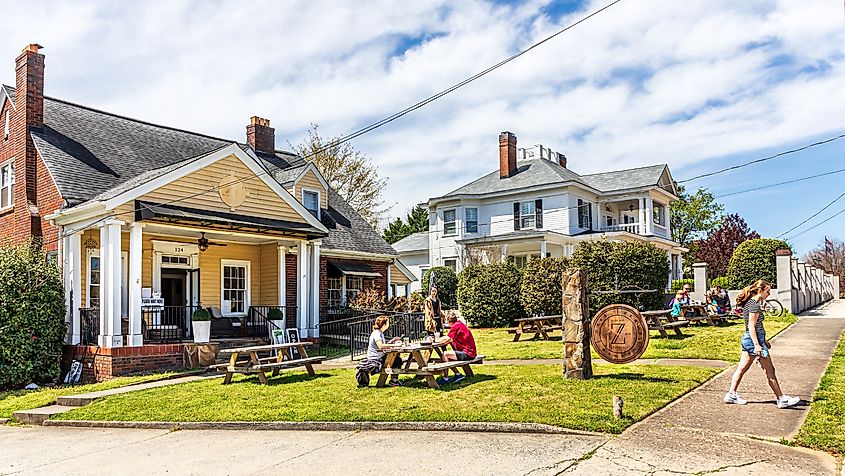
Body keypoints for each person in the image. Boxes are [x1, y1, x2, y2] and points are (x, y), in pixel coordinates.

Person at [724, 279, 800, 408]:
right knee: (770, 370)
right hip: (754, 341)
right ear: (760, 290)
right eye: (767, 291)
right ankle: (781, 399)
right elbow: (752, 326)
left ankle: (731, 394)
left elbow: (756, 326)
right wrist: (758, 345)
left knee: (742, 368)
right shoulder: (754, 305)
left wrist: (764, 340)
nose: (769, 294)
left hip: (750, 340)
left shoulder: (751, 304)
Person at [435, 314, 477, 385]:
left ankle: (445, 378)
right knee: (447, 357)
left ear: (449, 322)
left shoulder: (455, 326)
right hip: (470, 352)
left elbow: (447, 338)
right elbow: (450, 339)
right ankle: (458, 375)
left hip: (467, 353)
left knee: (445, 355)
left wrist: (435, 340)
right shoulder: (460, 324)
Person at [366, 316, 404, 387]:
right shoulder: (377, 333)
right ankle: (394, 381)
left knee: (396, 357)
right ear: (384, 324)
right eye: (388, 322)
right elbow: (380, 346)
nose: (388, 324)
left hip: (378, 356)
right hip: (375, 359)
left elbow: (382, 345)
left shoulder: (379, 332)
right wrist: (395, 346)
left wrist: (392, 341)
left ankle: (394, 380)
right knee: (397, 360)